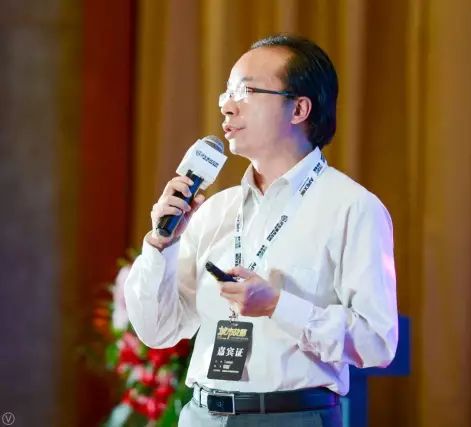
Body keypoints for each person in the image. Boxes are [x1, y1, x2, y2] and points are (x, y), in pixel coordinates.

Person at [124, 34, 398, 427]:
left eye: (247, 91)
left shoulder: (351, 208)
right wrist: (160, 243)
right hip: (201, 414)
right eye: (227, 92)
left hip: (291, 416)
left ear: (299, 108)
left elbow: (377, 342)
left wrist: (276, 306)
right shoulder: (215, 210)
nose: (227, 105)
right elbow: (158, 330)